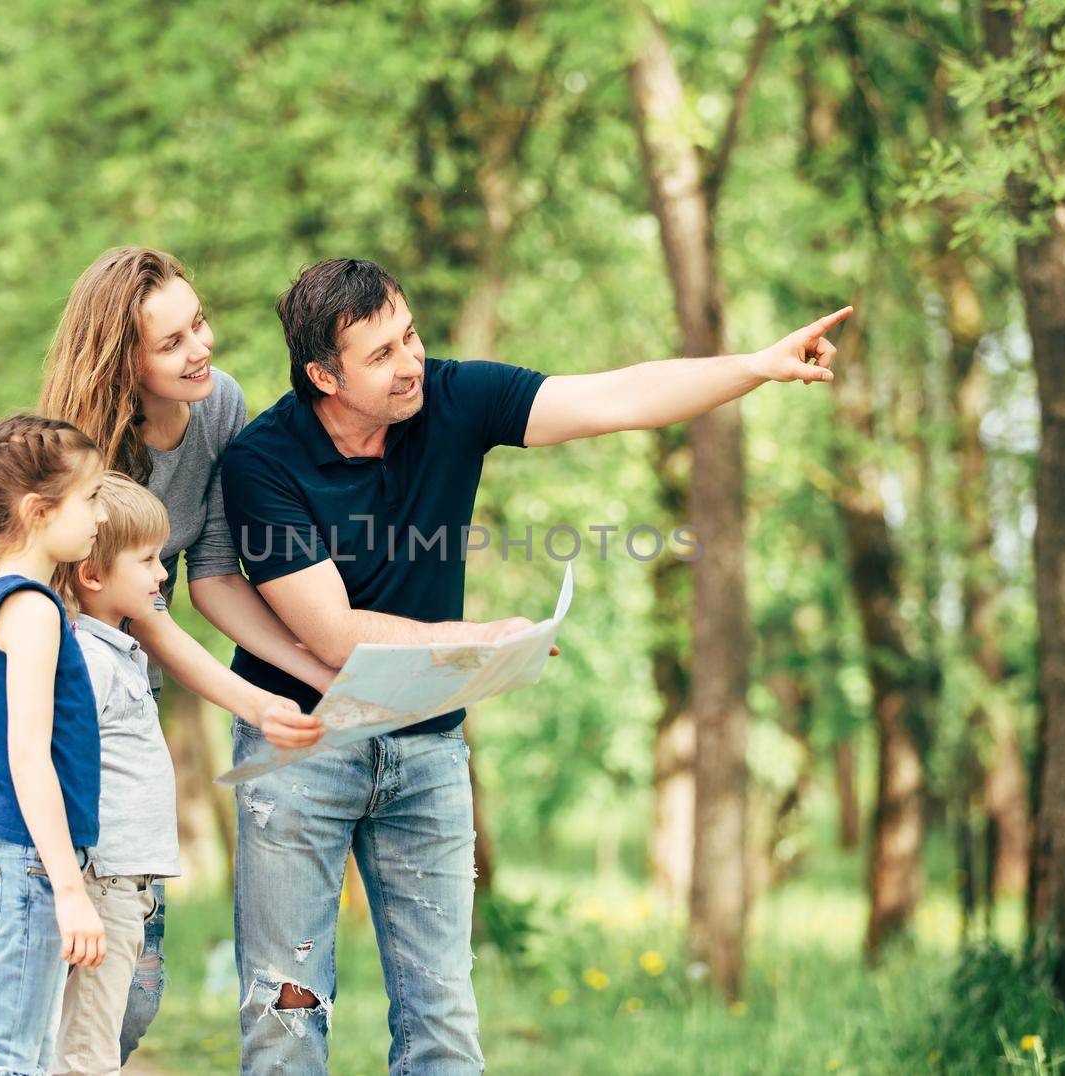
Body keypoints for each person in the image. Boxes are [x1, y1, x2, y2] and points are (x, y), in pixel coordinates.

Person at [220, 258, 849, 1074]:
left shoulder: (451, 397)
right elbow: (335, 636)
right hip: (299, 748)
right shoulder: (261, 460)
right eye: (381, 355)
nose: (411, 361)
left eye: (409, 335)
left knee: (442, 1019)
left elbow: (615, 397)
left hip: (426, 747)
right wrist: (484, 638)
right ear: (323, 375)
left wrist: (756, 366)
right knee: (286, 1013)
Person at [37, 245, 329, 1060]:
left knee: (135, 985)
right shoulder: (84, 453)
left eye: (197, 323)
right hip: (74, 720)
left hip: (138, 705)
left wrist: (322, 674)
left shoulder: (220, 405)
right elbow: (140, 614)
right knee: (98, 984)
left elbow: (212, 578)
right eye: (171, 344)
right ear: (121, 365)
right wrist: (257, 701)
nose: (201, 348)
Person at [0, 414, 109, 1076]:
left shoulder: (3, 597)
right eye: (89, 499)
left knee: (24, 1055)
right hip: (27, 860)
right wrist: (68, 887)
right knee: (10, 1059)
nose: (98, 517)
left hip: (16, 856)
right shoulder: (31, 609)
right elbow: (27, 757)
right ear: (39, 511)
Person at [52, 474, 182, 1074]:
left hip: (127, 883)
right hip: (102, 879)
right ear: (94, 576)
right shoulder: (86, 659)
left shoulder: (120, 655)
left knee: (99, 1034)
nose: (162, 575)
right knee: (89, 1049)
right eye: (149, 560)